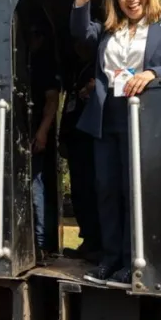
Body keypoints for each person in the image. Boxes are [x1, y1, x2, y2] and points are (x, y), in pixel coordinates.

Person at [71, 0, 161, 287]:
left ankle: (133, 262)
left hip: (144, 117)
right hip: (107, 117)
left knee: (134, 191)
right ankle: (110, 260)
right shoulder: (108, 31)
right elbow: (79, 34)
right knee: (107, 191)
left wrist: (153, 73)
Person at [59, 40, 101, 262]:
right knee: (80, 191)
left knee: (92, 189)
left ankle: (97, 243)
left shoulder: (98, 65)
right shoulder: (76, 69)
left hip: (90, 137)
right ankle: (89, 240)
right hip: (76, 137)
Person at [29, 25, 61, 258]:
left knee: (36, 184)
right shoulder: (30, 61)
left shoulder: (43, 63)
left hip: (36, 130)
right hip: (30, 129)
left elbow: (52, 100)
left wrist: (42, 132)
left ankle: (41, 242)